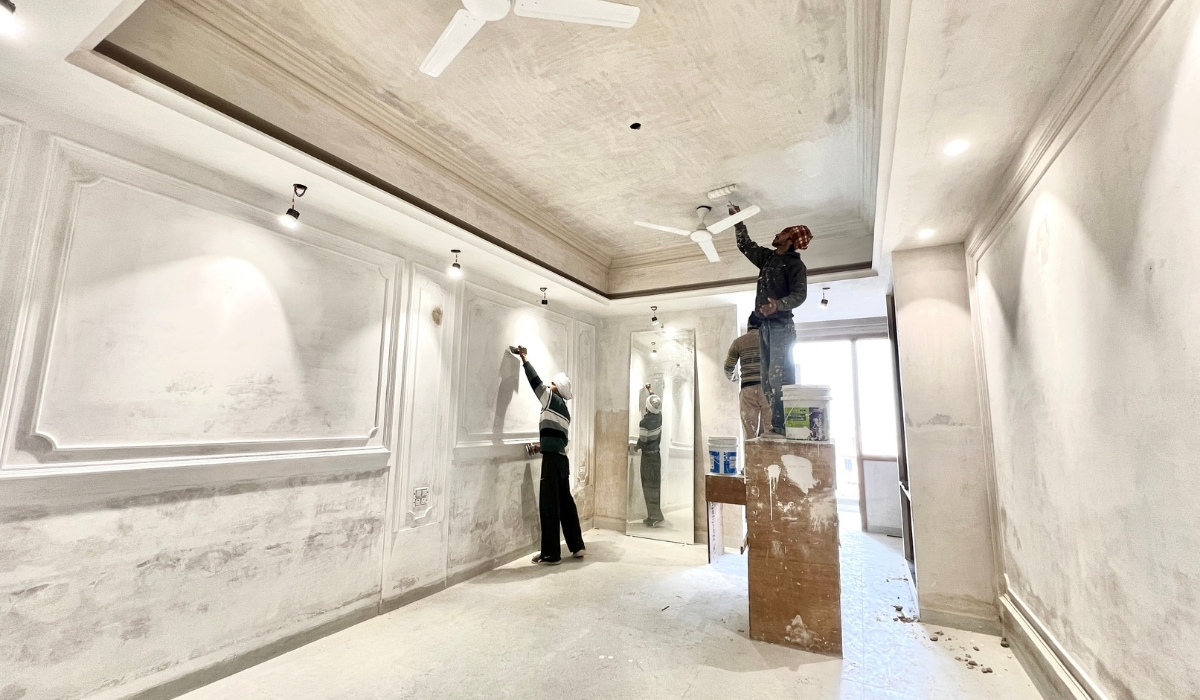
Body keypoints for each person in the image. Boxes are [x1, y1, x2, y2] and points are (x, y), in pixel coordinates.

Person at [732, 204, 811, 436]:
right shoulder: (768, 258)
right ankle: (775, 426)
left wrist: (778, 304)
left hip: (781, 327)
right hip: (765, 327)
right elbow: (746, 246)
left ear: (791, 241)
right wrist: (738, 221)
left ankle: (783, 426)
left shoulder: (795, 265)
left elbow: (800, 295)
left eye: (783, 233)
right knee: (766, 378)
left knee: (779, 376)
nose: (778, 234)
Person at [512, 346, 585, 565]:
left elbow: (535, 382)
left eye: (552, 384)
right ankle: (577, 545)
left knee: (549, 506)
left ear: (557, 388)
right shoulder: (566, 412)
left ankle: (551, 554)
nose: (549, 385)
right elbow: (559, 438)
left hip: (552, 462)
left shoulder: (550, 399)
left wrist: (525, 358)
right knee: (566, 503)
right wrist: (540, 446)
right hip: (562, 460)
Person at [725, 314, 771, 439]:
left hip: (747, 390)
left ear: (748, 325)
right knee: (769, 432)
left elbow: (728, 367)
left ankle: (751, 452)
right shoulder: (768, 339)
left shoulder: (738, 342)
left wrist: (734, 378)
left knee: (750, 435)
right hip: (766, 389)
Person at [632, 384, 664, 526]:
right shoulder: (659, 417)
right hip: (656, 456)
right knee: (655, 486)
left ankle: (654, 516)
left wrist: (636, 446)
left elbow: (643, 441)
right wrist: (650, 391)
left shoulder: (644, 422)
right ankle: (655, 515)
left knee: (648, 486)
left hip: (648, 458)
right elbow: (655, 401)